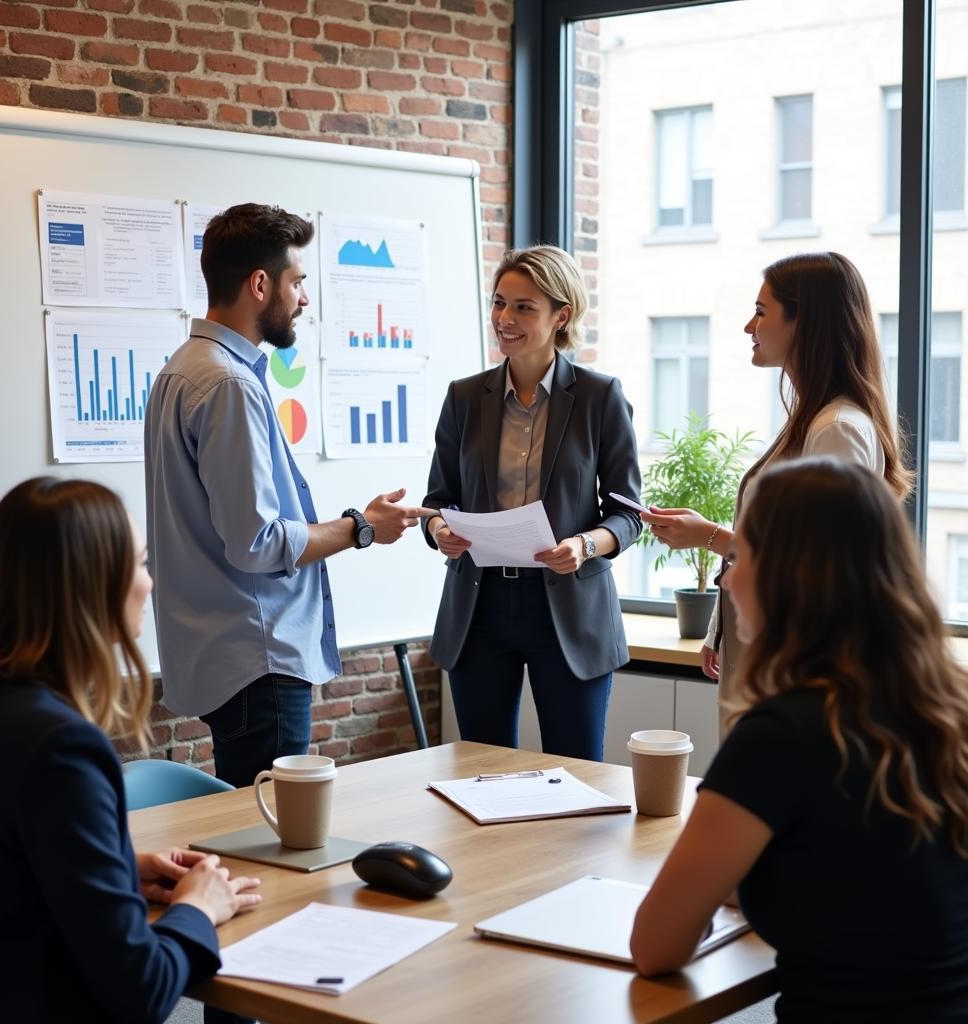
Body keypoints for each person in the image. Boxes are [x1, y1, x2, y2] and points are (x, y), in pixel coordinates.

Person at [631, 458, 968, 1021]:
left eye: (743, 556)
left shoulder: (783, 735)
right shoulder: (943, 708)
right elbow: (852, 869)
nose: (727, 577)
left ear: (791, 576)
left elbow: (654, 946)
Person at [0, 477, 262, 1024]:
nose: (150, 583)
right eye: (139, 564)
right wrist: (198, 908)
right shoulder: (59, 746)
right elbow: (140, 989)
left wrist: (112, 869)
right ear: (94, 587)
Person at [144, 203, 431, 789]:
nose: (304, 299)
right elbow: (257, 542)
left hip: (225, 655)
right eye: (297, 282)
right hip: (259, 658)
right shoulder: (228, 385)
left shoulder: (182, 370)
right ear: (259, 284)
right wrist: (362, 525)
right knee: (274, 848)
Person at [641, 251, 911, 737]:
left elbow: (816, 565)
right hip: (762, 649)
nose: (750, 325)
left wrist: (707, 537)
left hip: (796, 662)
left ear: (804, 324)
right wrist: (718, 631)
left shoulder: (838, 429)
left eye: (762, 311)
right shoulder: (812, 420)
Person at [422, 245, 643, 760]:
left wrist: (585, 545)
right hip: (480, 607)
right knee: (483, 772)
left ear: (560, 315)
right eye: (500, 303)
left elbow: (630, 514)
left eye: (524, 307)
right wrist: (439, 532)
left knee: (576, 771)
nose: (504, 318)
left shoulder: (599, 396)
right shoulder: (463, 397)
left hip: (567, 607)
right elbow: (437, 501)